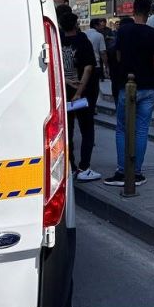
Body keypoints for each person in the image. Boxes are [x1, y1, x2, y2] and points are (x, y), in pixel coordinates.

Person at [104, 0, 154, 187]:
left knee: (122, 128)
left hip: (126, 85)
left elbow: (119, 56)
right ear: (149, 13)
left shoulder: (123, 31)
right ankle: (136, 172)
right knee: (142, 129)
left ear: (134, 11)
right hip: (148, 87)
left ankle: (122, 170)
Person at [60, 13, 101, 182]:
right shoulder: (83, 41)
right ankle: (84, 167)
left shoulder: (57, 41)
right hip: (84, 94)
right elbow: (89, 68)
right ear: (76, 24)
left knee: (67, 131)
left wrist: (67, 81)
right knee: (87, 130)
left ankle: (69, 166)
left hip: (64, 91)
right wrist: (79, 91)